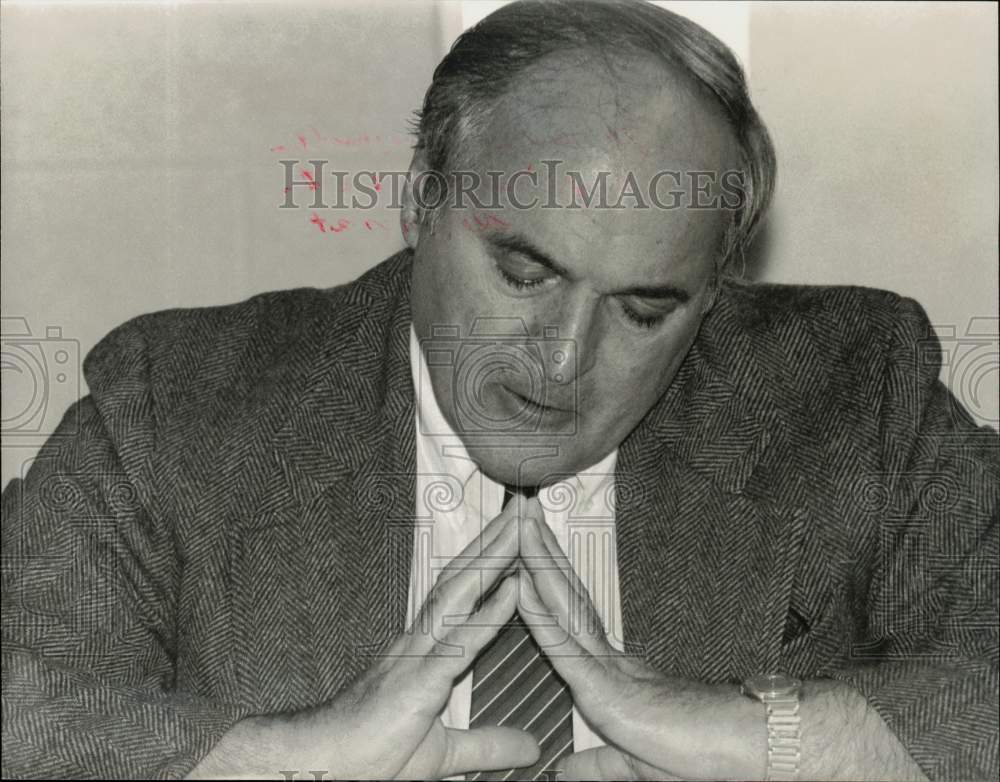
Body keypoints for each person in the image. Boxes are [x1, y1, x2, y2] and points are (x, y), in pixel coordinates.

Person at [2, 1, 996, 780]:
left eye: (644, 309)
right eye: (523, 273)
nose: (563, 360)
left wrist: (764, 739)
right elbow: (27, 705)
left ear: (713, 293)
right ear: (418, 199)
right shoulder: (173, 409)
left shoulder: (855, 395)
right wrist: (297, 755)